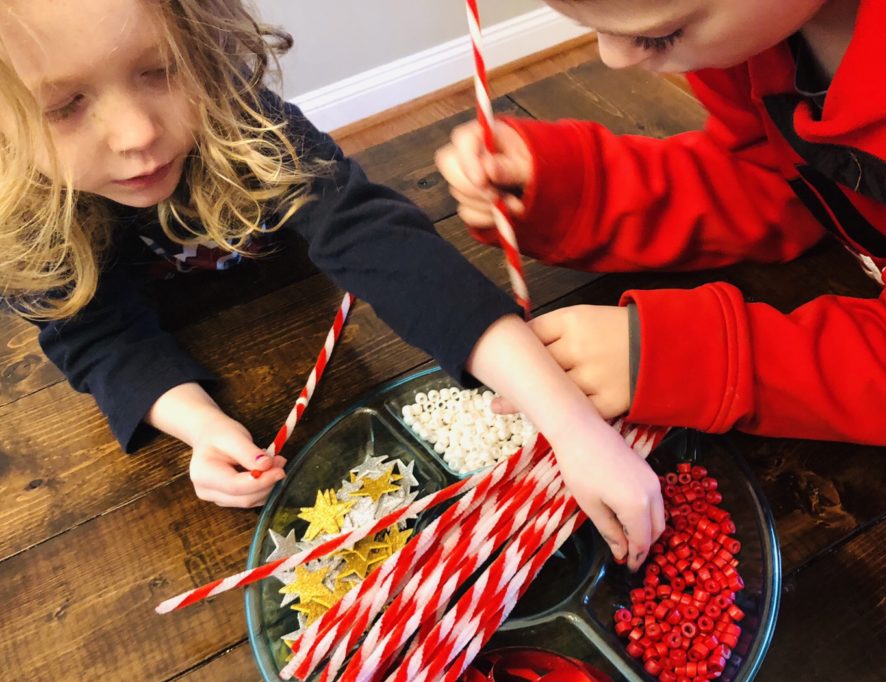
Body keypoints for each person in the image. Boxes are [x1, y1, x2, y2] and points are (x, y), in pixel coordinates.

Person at [0, 0, 664, 569]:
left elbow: (381, 244)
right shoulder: (21, 220)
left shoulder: (249, 125)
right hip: (193, 353)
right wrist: (198, 424)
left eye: (162, 69)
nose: (138, 133)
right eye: (62, 107)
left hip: (300, 301)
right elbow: (92, 332)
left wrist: (571, 424)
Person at [437, 0, 886, 445]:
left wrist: (674, 358)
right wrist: (573, 190)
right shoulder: (762, 35)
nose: (611, 57)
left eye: (660, 30)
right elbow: (777, 185)